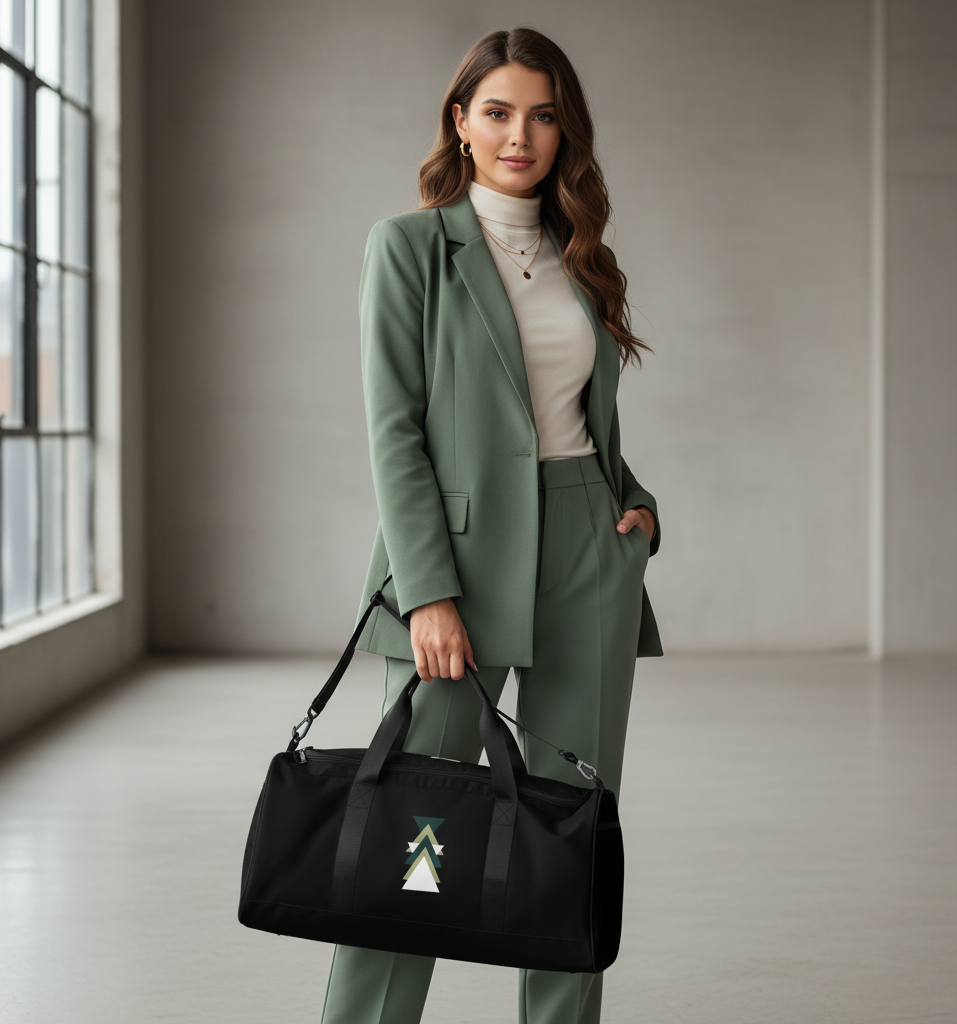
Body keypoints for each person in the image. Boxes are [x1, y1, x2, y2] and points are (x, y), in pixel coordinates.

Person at [322, 26, 662, 1024]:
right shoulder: (410, 247)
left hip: (586, 560)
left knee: (569, 837)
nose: (522, 133)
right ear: (461, 122)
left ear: (565, 131)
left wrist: (633, 504)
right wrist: (425, 589)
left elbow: (578, 420)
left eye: (544, 113)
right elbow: (394, 431)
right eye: (500, 110)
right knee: (410, 842)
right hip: (453, 570)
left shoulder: (581, 257)